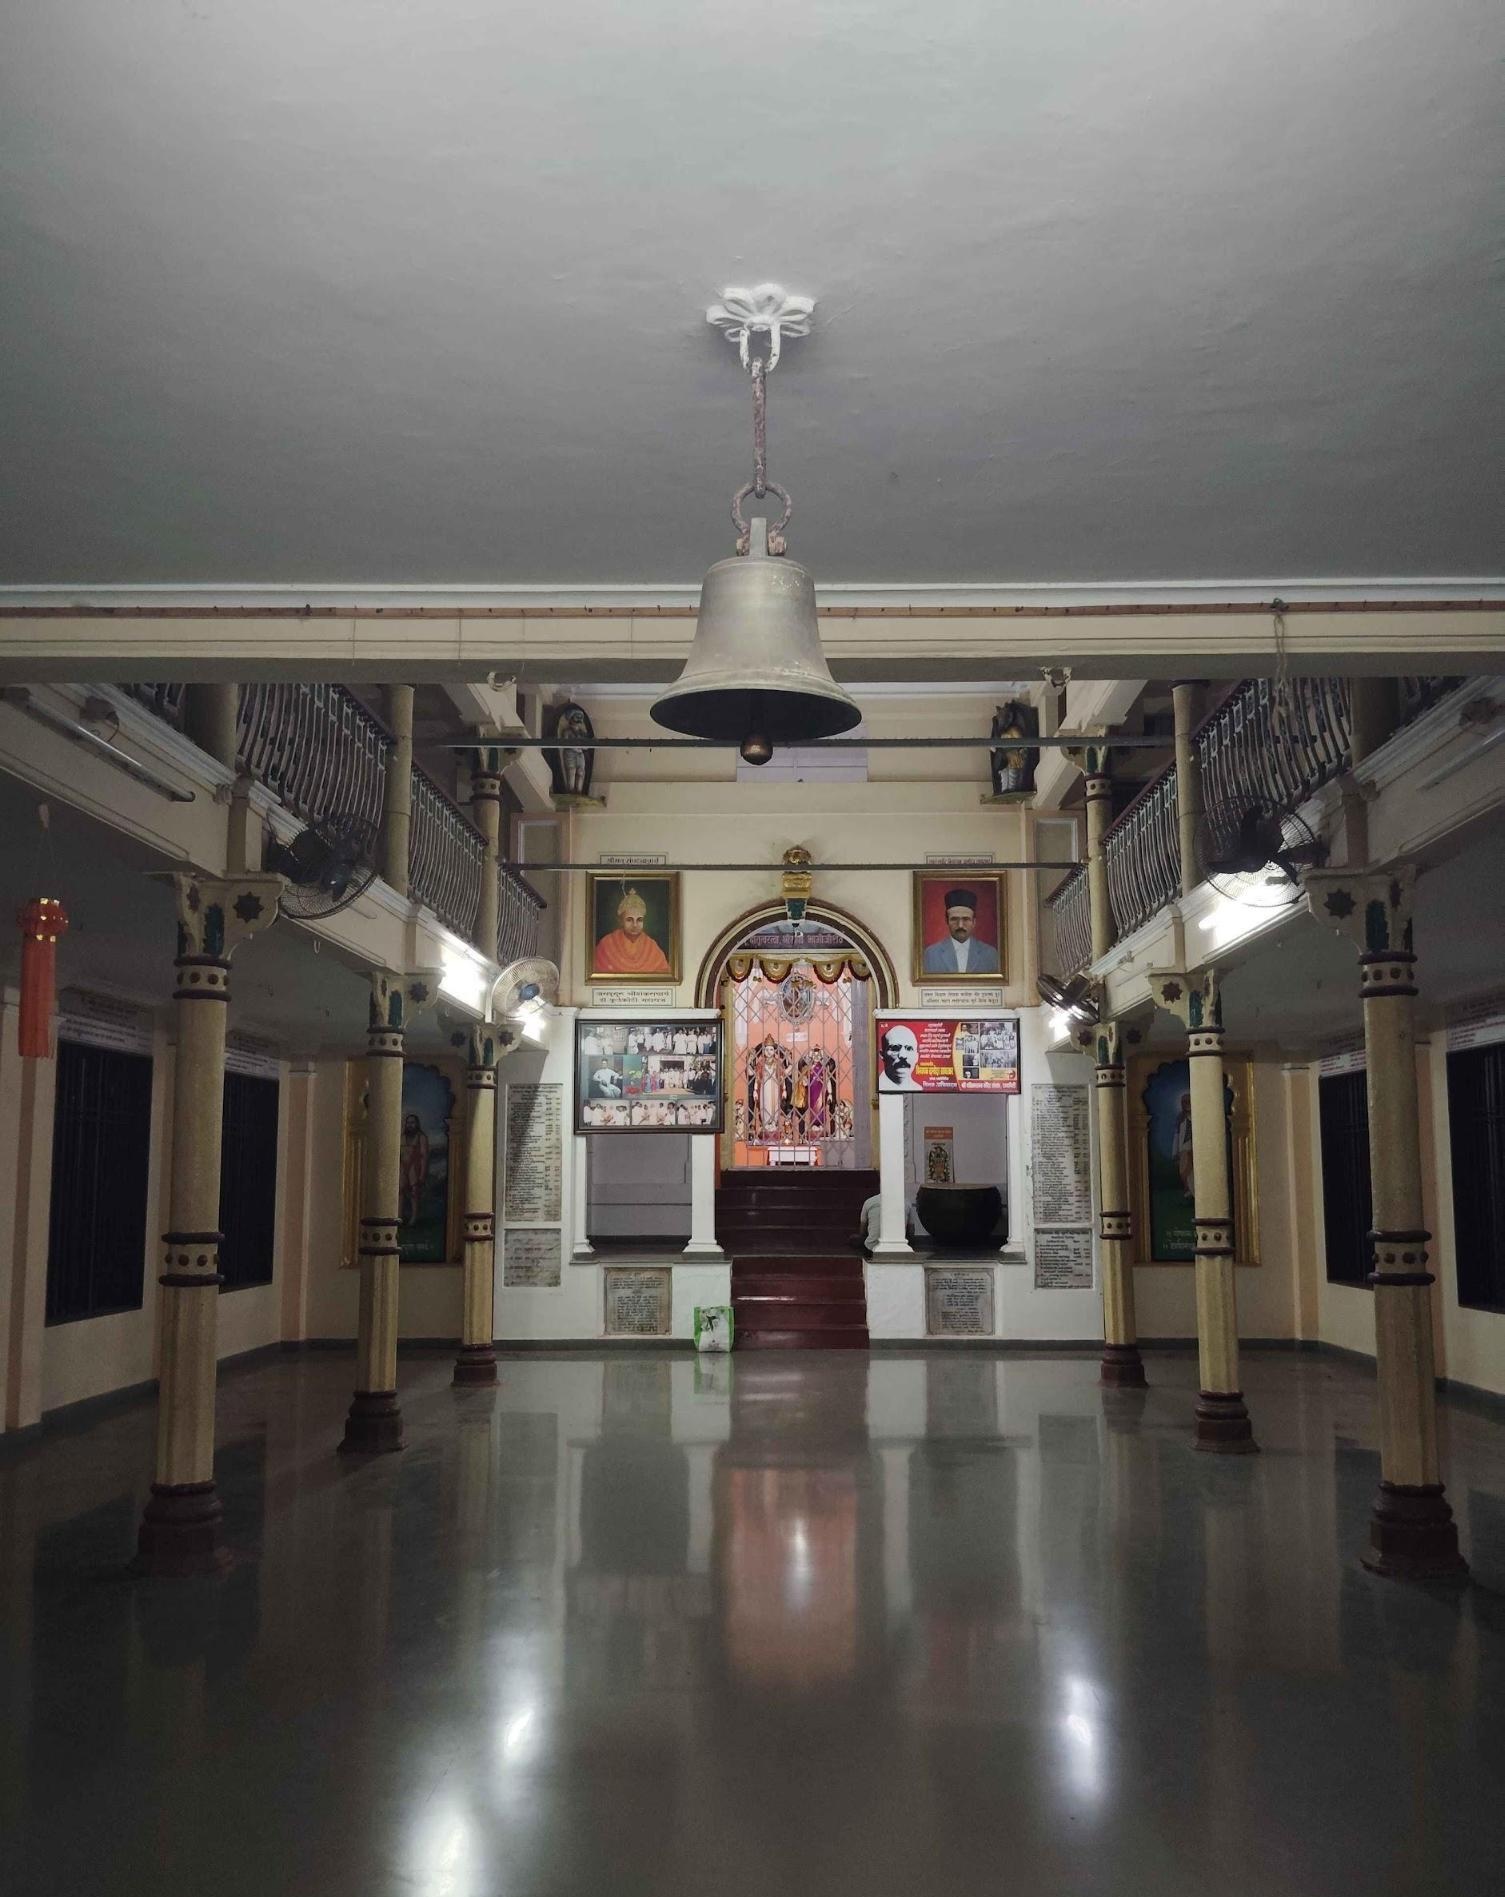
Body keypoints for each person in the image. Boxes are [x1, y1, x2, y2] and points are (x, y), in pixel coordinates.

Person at [921, 887, 1001, 975]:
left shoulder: (990, 954)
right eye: (954, 919)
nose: (960, 925)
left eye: (966, 919)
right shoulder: (931, 954)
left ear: (974, 922)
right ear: (947, 920)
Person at [593, 888, 671, 977]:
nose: (635, 925)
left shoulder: (651, 946)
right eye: (629, 920)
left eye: (639, 920)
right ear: (620, 921)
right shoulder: (606, 945)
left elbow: (663, 975)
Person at [399, 1111, 429, 1224]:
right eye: (408, 1123)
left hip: (414, 1167)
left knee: (414, 1193)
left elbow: (424, 1157)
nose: (410, 1125)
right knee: (400, 1191)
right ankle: (399, 1216)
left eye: (412, 1122)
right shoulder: (402, 1137)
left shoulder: (421, 1137)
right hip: (402, 1167)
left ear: (417, 1124)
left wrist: (422, 1174)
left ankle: (414, 1217)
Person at [879, 1023, 921, 1090]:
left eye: (909, 1048)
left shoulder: (918, 1089)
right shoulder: (875, 1087)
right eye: (895, 1048)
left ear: (917, 1057)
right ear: (882, 1055)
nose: (903, 1056)